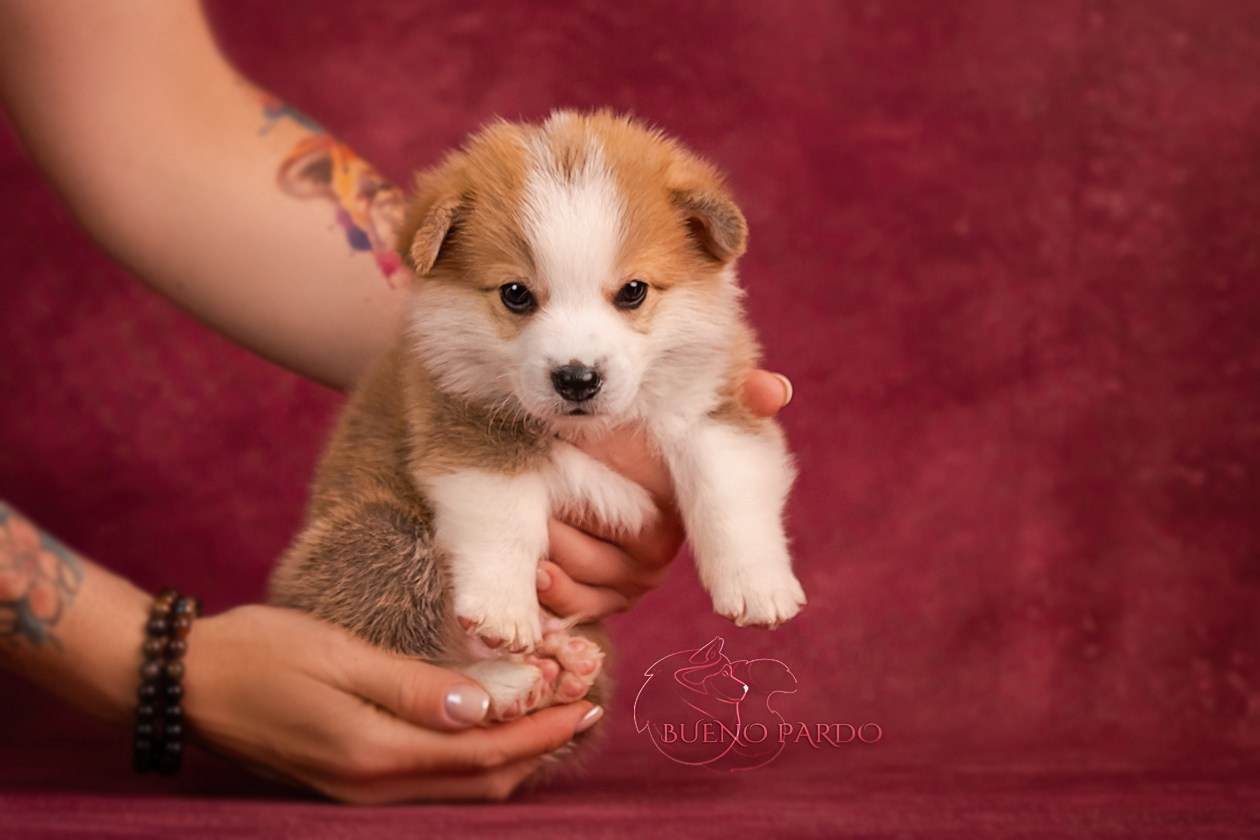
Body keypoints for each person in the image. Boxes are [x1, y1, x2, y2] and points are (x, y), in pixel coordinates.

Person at [0, 0, 792, 804]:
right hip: (388, 573)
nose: (577, 357)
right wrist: (150, 664)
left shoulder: (676, 294)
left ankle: (522, 675)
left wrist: (726, 535)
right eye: (518, 297)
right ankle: (484, 666)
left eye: (630, 295)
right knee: (428, 553)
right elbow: (472, 452)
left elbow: (153, 113)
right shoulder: (462, 354)